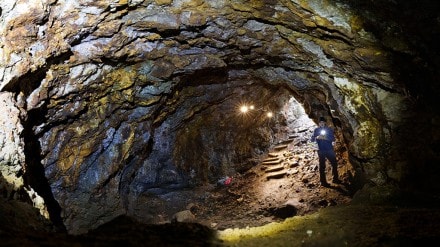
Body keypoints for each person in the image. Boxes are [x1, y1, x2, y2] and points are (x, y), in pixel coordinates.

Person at [311, 117, 340, 186]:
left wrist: (325, 138)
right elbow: (312, 140)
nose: (322, 123)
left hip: (329, 149)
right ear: (319, 123)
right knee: (322, 166)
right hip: (321, 150)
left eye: (323, 122)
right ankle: (323, 182)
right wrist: (316, 138)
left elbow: (333, 139)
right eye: (320, 122)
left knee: (334, 163)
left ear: (325, 123)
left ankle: (335, 179)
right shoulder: (316, 130)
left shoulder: (329, 130)